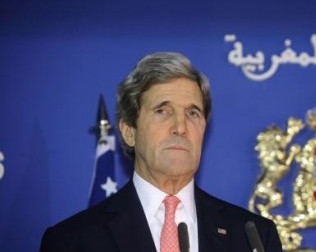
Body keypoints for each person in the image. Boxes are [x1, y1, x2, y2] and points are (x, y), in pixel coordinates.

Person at [40, 52, 283, 252]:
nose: (180, 127)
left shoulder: (254, 237)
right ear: (129, 131)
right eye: (162, 111)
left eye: (192, 113)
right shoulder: (72, 241)